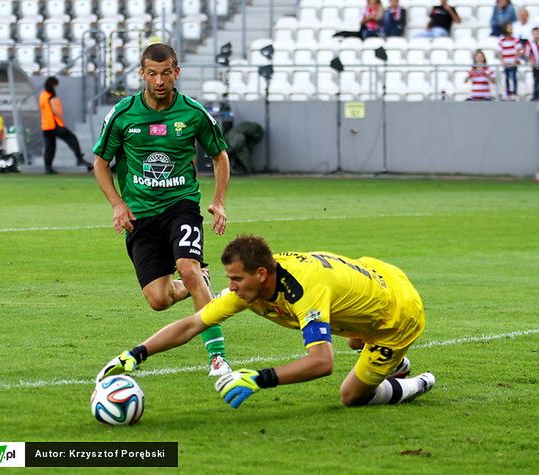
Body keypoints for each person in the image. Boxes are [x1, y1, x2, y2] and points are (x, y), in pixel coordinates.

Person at [97, 235, 436, 409]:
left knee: (351, 396)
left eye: (235, 279)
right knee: (354, 341)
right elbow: (192, 324)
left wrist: (259, 379)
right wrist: (136, 354)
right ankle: (391, 362)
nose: (229, 287)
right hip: (373, 281)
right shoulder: (252, 288)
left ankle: (416, 382)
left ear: (261, 274)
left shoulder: (303, 291)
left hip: (396, 314)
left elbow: (321, 362)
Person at [92, 43, 232, 377]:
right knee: (158, 299)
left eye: (166, 72)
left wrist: (218, 199)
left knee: (187, 267)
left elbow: (220, 156)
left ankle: (218, 358)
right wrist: (117, 204)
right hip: (140, 214)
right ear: (142, 74)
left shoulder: (193, 113)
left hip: (180, 205)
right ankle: (196, 282)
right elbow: (100, 161)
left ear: (176, 72)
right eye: (152, 73)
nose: (159, 80)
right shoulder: (123, 114)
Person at [39, 76, 93, 174]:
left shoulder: (43, 95)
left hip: (46, 125)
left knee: (50, 147)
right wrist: (61, 118)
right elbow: (55, 109)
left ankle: (48, 167)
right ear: (53, 85)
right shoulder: (51, 96)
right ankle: (79, 158)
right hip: (54, 124)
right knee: (72, 138)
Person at [498, 22, 522, 100]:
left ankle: (514, 93)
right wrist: (502, 60)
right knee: (507, 78)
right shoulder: (501, 39)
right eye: (509, 27)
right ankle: (508, 93)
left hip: (513, 62)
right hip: (506, 62)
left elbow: (518, 50)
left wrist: (515, 60)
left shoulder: (515, 38)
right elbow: (500, 51)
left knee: (514, 77)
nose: (511, 29)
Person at [524, 27, 539, 100]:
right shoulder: (530, 43)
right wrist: (531, 61)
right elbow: (527, 54)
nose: (536, 35)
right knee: (536, 80)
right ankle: (536, 96)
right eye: (534, 33)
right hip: (535, 65)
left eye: (537, 33)